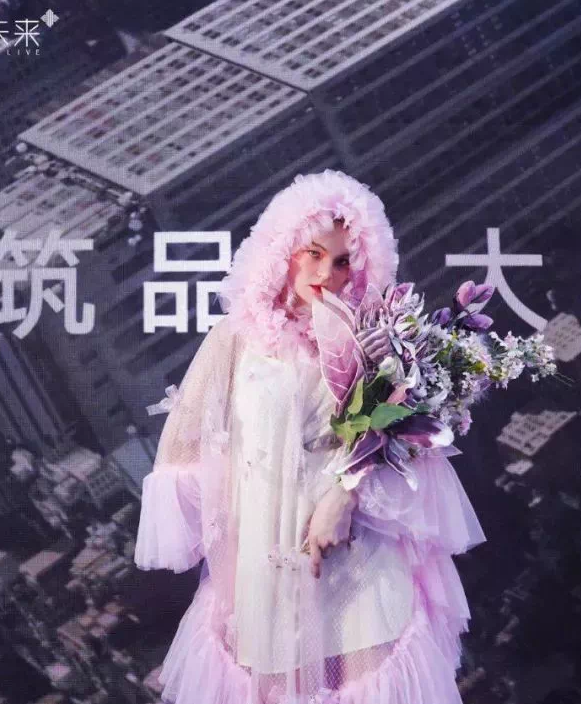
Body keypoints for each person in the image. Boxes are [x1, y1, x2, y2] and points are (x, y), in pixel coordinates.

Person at [134, 170, 487, 704]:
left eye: (342, 261)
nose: (325, 273)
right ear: (283, 251)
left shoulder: (370, 337)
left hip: (354, 550)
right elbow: (185, 446)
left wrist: (342, 498)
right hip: (265, 560)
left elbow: (395, 441)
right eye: (313, 254)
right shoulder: (235, 338)